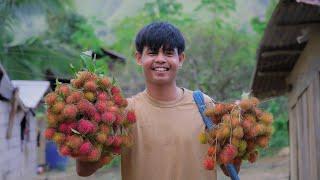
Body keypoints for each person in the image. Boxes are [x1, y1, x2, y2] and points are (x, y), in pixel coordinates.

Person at [76, 21, 217, 180]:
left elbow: (230, 165)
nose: (160, 59)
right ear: (139, 58)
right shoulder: (123, 112)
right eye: (153, 53)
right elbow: (84, 170)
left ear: (181, 59)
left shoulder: (205, 105)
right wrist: (86, 126)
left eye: (169, 53)